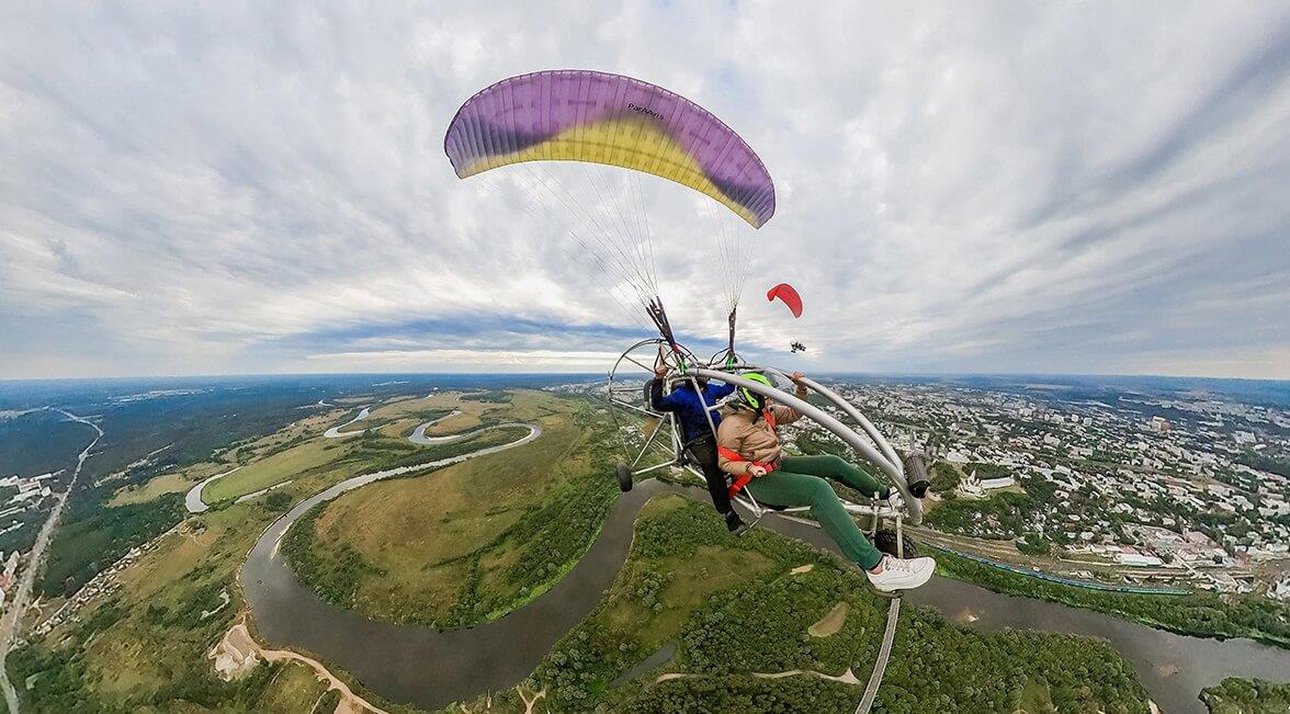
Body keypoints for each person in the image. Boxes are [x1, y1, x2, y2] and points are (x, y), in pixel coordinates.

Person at [716, 372, 936, 592]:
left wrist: (800, 390)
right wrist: (749, 467)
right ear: (753, 397)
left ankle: (886, 494)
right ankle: (877, 568)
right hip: (755, 480)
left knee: (833, 462)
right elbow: (724, 462)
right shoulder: (732, 426)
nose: (770, 400)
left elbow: (794, 412)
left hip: (776, 464)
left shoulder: (765, 413)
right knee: (818, 489)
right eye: (766, 396)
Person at [650, 364, 746, 533]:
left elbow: (728, 387)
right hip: (698, 439)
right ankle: (728, 512)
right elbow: (658, 404)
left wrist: (731, 369)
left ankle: (745, 484)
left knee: (740, 449)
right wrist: (658, 379)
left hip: (718, 433)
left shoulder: (710, 390)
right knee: (711, 465)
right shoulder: (681, 395)